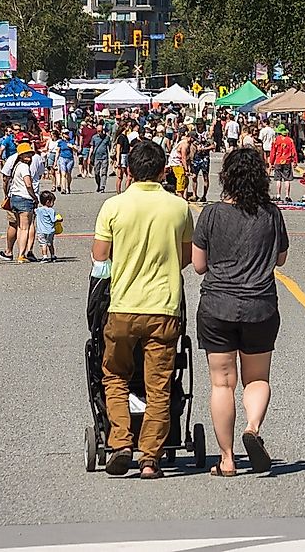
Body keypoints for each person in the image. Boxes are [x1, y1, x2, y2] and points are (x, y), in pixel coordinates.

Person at [96, 139, 195, 479]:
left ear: (128, 170)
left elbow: (99, 255)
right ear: (163, 170)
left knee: (114, 375)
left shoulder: (113, 207)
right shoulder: (179, 208)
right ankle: (150, 457)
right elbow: (186, 258)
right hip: (164, 307)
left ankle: (121, 441)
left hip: (122, 305)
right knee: (159, 384)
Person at [193, 146, 289, 477]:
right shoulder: (272, 214)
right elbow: (281, 259)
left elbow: (198, 265)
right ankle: (252, 427)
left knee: (222, 384)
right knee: (257, 378)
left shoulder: (212, 213)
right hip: (260, 305)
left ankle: (227, 459)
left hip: (217, 305)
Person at [2, 141, 40, 262]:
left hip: (15, 198)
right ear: (21, 155)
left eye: (29, 154)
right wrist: (34, 196)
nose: (29, 156)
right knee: (25, 228)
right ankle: (21, 255)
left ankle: (19, 253)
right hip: (25, 198)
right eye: (26, 154)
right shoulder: (24, 167)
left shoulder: (16, 166)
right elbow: (28, 184)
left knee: (19, 227)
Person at [267, 126, 299, 204]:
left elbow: (273, 153)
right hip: (287, 161)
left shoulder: (275, 140)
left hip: (278, 161)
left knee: (278, 179)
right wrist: (295, 161)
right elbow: (294, 152)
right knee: (287, 179)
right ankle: (287, 196)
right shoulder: (290, 140)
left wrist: (271, 162)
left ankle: (278, 195)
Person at [35, 189, 61, 261]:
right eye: (53, 202)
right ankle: (53, 255)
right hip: (50, 230)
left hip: (41, 231)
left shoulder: (38, 210)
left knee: (43, 244)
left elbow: (34, 212)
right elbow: (53, 220)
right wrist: (59, 219)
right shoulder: (51, 210)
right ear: (48, 202)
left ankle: (45, 256)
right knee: (50, 243)